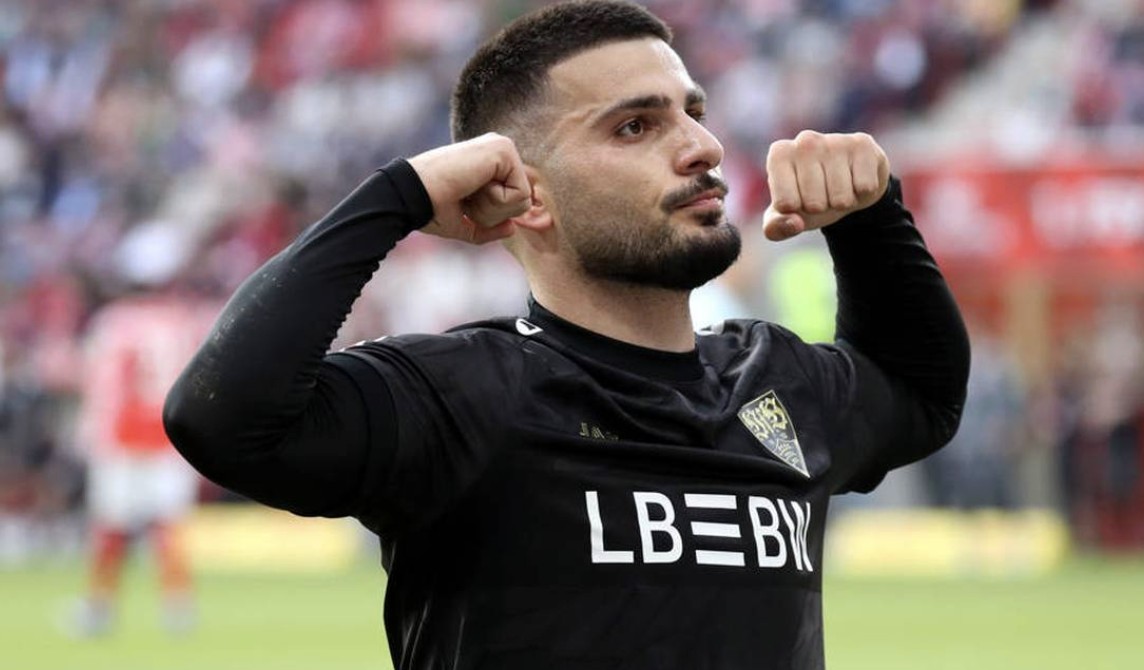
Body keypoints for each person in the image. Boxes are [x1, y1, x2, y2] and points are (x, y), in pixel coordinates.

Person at [163, 1, 969, 667]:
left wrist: (871, 218)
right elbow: (221, 417)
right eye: (635, 127)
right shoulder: (464, 395)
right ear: (528, 195)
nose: (703, 147)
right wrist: (395, 197)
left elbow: (922, 393)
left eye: (693, 113)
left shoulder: (777, 383)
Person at [71, 226, 219, 637]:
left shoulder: (115, 322)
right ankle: (177, 607)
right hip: (169, 434)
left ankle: (99, 608)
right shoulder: (184, 321)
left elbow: (106, 385)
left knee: (110, 525)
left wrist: (91, 432)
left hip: (122, 435)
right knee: (167, 525)